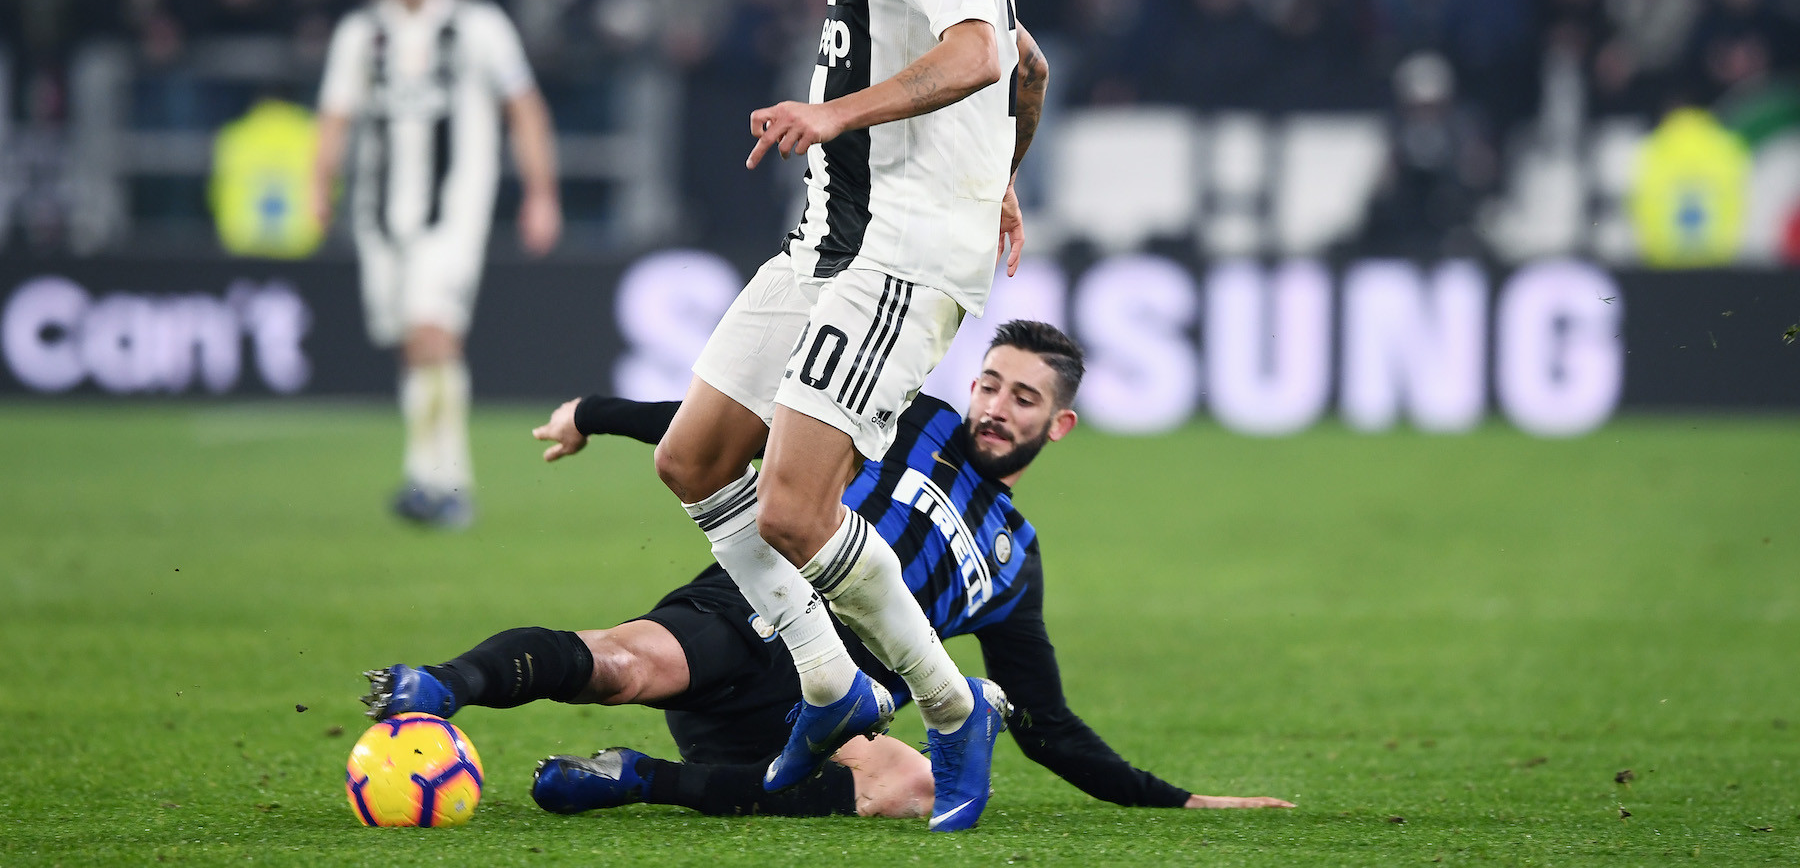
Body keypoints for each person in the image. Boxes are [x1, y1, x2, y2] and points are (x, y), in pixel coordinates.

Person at [360, 322, 1294, 820]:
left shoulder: (1014, 559)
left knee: (913, 787)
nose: (997, 407)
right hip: (757, 610)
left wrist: (1178, 799)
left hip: (825, 711)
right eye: (990, 384)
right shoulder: (905, 416)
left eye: (1024, 398)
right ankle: (437, 686)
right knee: (624, 665)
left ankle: (638, 780)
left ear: (1060, 425)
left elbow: (1045, 725)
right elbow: (738, 432)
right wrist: (596, 414)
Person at [642, 0, 1038, 832]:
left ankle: (953, 708)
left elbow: (982, 55)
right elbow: (1030, 64)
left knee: (793, 509)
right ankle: (830, 682)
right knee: (693, 458)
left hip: (896, 258)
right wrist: (1003, 173)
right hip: (825, 247)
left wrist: (834, 114)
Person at [313, 0, 561, 528]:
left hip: (452, 214)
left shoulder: (479, 26)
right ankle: (431, 477)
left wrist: (541, 194)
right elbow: (335, 117)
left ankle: (445, 483)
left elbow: (524, 107)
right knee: (413, 344)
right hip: (379, 217)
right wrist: (319, 187)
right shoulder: (359, 34)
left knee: (432, 332)